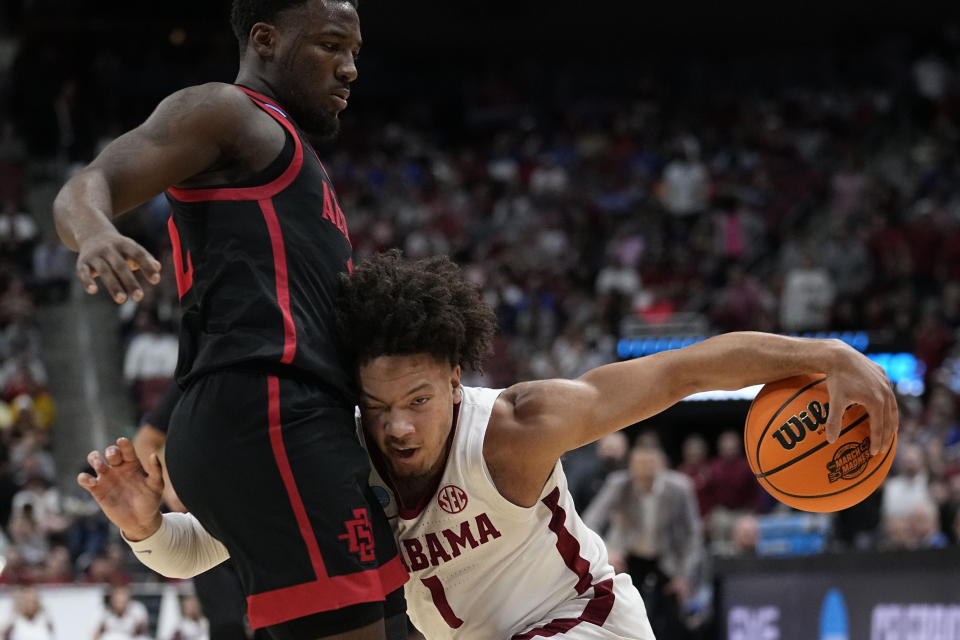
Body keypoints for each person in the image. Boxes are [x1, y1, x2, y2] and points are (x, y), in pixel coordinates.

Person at [78, 252, 898, 639]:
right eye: (378, 405)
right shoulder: (332, 455)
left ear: (455, 377)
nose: (398, 425)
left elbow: (686, 370)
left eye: (419, 401)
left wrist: (829, 358)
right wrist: (143, 524)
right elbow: (195, 555)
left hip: (584, 623)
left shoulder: (516, 426)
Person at [53, 1, 407, 638]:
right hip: (267, 409)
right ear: (266, 40)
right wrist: (98, 234)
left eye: (355, 52)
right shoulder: (227, 111)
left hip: (298, 419)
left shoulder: (293, 149)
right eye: (331, 46)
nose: (350, 68)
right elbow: (87, 184)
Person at [133, 381, 268, 640]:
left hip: (261, 517)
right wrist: (171, 490)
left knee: (275, 620)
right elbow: (145, 441)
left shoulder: (271, 376)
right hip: (208, 521)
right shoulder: (195, 377)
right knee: (226, 623)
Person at [582, 444, 703, 639]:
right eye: (640, 463)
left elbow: (693, 534)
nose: (645, 469)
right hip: (625, 557)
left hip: (665, 558)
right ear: (631, 465)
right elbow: (589, 522)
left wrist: (684, 575)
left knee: (670, 619)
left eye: (650, 463)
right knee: (622, 613)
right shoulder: (619, 484)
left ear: (662, 465)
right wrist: (608, 551)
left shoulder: (679, 487)